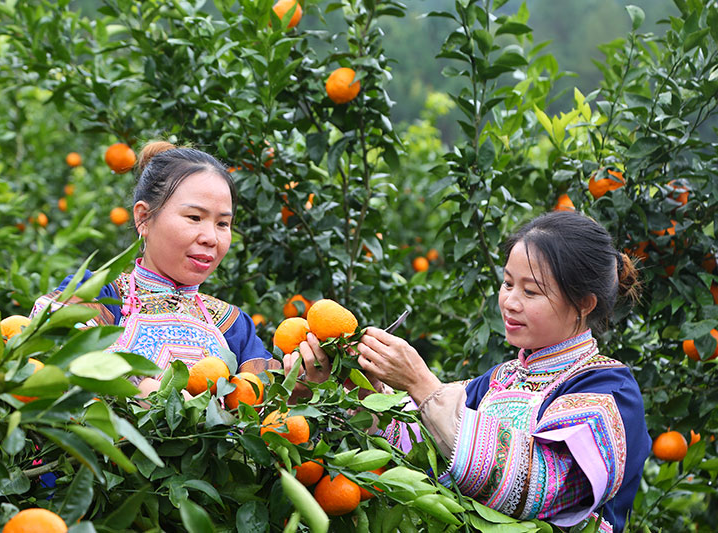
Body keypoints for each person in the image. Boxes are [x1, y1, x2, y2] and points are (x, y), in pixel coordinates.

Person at [285, 210, 650, 533]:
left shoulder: (608, 390)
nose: (510, 301)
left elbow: (541, 488)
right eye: (508, 283)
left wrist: (421, 383)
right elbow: (422, 450)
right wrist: (363, 391)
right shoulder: (500, 379)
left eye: (531, 291)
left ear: (583, 304)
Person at [32, 141, 275, 397]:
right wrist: (143, 390)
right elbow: (50, 343)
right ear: (144, 218)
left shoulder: (233, 326)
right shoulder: (105, 294)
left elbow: (269, 403)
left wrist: (306, 382)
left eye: (223, 223)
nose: (211, 237)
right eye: (194, 218)